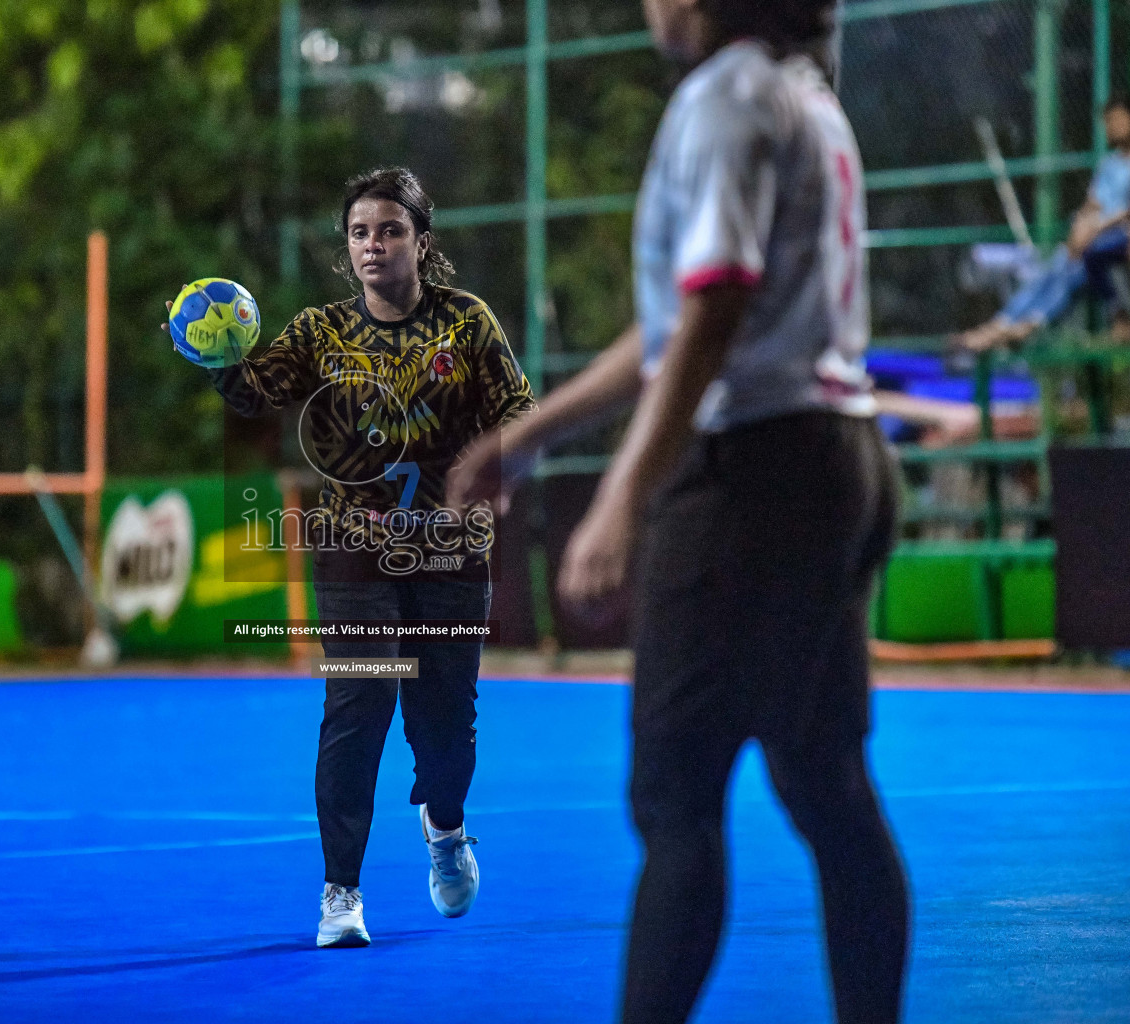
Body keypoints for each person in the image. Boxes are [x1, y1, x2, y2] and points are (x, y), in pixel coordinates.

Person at [449, 0, 910, 1020]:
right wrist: (529, 436)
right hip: (838, 457)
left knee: (674, 798)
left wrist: (622, 496)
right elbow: (674, 323)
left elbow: (710, 317)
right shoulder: (803, 96)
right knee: (824, 782)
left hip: (753, 475)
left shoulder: (724, 97)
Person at [177, 167, 534, 948]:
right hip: (352, 549)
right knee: (358, 704)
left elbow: (521, 411)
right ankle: (341, 893)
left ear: (421, 241)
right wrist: (219, 357)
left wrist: (499, 465)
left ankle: (445, 832)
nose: (373, 244)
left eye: (390, 230)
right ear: (348, 248)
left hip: (449, 552)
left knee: (445, 726)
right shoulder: (319, 331)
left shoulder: (467, 324)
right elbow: (256, 394)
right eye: (360, 232)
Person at [957, 95, 1130, 351]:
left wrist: (1094, 229)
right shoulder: (1108, 164)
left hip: (1115, 238)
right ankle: (1004, 323)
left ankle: (1027, 324)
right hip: (1091, 237)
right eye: (1108, 121)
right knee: (1058, 263)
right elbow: (1092, 204)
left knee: (1074, 266)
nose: (1110, 127)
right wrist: (1080, 226)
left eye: (1116, 120)